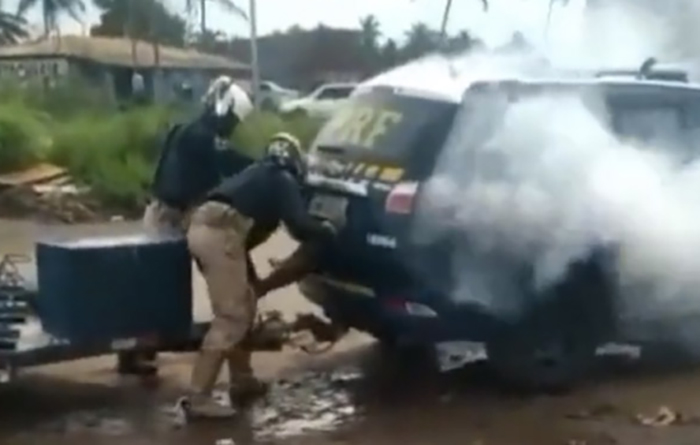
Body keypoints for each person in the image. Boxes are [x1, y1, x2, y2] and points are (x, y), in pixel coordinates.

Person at [183, 132, 337, 419]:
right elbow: (300, 225)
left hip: (207, 229)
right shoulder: (282, 179)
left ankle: (243, 380)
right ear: (295, 161)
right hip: (222, 235)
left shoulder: (257, 173)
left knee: (247, 301)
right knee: (232, 316)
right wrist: (327, 229)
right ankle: (198, 398)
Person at [118, 76, 255, 376]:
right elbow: (231, 164)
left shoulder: (184, 129)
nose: (232, 127)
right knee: (223, 288)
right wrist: (261, 166)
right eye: (233, 120)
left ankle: (137, 351)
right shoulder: (205, 138)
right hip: (180, 215)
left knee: (153, 287)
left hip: (159, 211)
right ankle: (236, 367)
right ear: (224, 109)